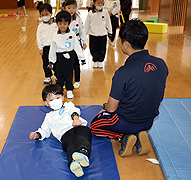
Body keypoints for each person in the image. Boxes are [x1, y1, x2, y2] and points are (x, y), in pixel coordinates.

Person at [89, 19, 168, 157]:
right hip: (149, 121)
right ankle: (139, 135)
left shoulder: (123, 73)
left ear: (126, 44)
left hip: (127, 122)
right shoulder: (161, 64)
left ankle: (125, 136)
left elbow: (111, 108)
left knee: (94, 126)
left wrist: (105, 107)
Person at [29, 84, 92, 177]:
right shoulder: (48, 117)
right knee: (70, 146)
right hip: (64, 135)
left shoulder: (68, 105)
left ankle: (83, 153)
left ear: (62, 97)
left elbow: (73, 110)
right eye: (51, 100)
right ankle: (73, 163)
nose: (55, 101)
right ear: (46, 103)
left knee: (82, 137)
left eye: (58, 97)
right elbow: (44, 130)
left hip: (78, 127)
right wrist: (37, 135)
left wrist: (75, 118)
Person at [48, 11, 86, 99]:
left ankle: (69, 90)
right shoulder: (55, 35)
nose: (62, 26)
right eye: (60, 23)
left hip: (70, 56)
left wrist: (82, 58)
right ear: (57, 23)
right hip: (59, 56)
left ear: (68, 23)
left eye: (65, 23)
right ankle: (60, 91)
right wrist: (51, 61)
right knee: (59, 74)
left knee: (68, 74)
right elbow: (52, 49)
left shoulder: (72, 34)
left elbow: (77, 47)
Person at [63, 0, 87, 89]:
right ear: (64, 8)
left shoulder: (78, 18)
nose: (71, 10)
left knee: (76, 63)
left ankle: (77, 80)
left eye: (73, 7)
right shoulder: (63, 19)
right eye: (69, 8)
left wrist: (84, 42)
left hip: (76, 42)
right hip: (65, 44)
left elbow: (82, 31)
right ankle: (67, 81)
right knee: (67, 64)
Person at [85, 0, 112, 68]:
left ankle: (100, 60)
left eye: (102, 3)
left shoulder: (105, 12)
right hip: (93, 34)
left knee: (102, 48)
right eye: (98, 3)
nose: (100, 5)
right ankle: (95, 60)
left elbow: (108, 22)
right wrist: (84, 34)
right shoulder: (90, 13)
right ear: (94, 3)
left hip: (103, 34)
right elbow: (87, 24)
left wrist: (110, 32)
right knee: (93, 48)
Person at [37, 3, 58, 84]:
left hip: (55, 47)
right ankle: (48, 76)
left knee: (56, 62)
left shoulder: (56, 24)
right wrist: (40, 48)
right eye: (42, 15)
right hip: (46, 47)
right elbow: (39, 38)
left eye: (46, 14)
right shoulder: (40, 26)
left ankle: (57, 75)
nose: (44, 16)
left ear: (51, 14)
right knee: (46, 62)